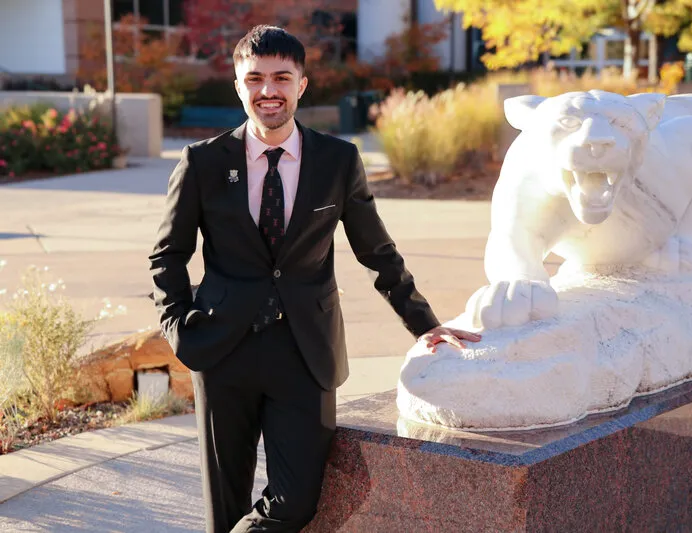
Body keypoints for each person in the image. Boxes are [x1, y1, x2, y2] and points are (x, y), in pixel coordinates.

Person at [149, 24, 480, 533]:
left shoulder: (337, 160)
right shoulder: (202, 163)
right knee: (225, 503)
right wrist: (178, 327)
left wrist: (423, 323)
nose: (268, 91)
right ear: (238, 85)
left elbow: (378, 251)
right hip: (221, 350)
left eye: (282, 77)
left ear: (302, 84)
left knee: (296, 501)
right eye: (254, 78)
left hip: (304, 352)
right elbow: (168, 255)